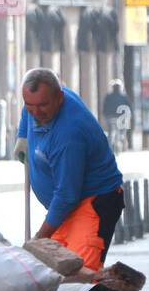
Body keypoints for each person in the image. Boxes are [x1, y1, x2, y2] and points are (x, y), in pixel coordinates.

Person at [15, 68, 124, 271]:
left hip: (93, 203)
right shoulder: (38, 102)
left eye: (42, 106)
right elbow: (29, 108)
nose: (36, 113)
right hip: (66, 209)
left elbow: (66, 195)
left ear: (59, 97)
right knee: (52, 273)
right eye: (30, 106)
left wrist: (39, 237)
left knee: (78, 276)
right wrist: (22, 135)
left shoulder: (69, 133)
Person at [102, 79, 132, 151]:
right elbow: (129, 107)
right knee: (121, 130)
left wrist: (105, 115)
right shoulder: (123, 96)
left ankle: (110, 147)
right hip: (120, 117)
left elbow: (104, 107)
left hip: (110, 117)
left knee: (110, 131)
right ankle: (120, 141)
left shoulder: (108, 96)